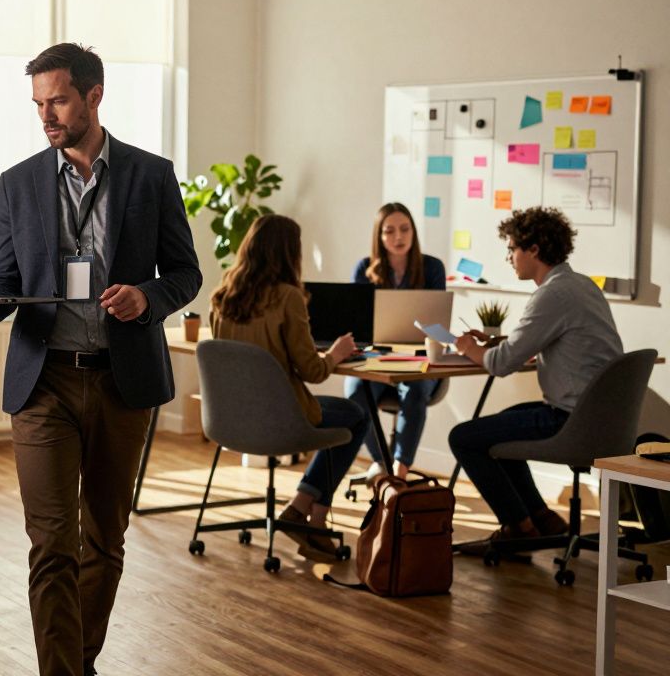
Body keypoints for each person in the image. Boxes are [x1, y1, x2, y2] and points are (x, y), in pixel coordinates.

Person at [0, 43, 201, 676]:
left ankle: (75, 665)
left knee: (104, 542)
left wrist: (147, 296)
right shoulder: (17, 183)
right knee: (51, 544)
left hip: (122, 382)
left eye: (56, 101)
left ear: (93, 96)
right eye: (38, 104)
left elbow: (186, 274)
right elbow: (3, 284)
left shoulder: (150, 176)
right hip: (44, 381)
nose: (45, 115)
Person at [451, 207, 622, 553]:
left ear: (534, 250)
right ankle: (542, 520)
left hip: (570, 420)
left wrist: (469, 348)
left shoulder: (551, 295)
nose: (510, 257)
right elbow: (545, 342)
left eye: (513, 248)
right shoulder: (580, 285)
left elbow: (500, 365)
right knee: (501, 425)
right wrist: (500, 343)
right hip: (599, 417)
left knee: (464, 437)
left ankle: (518, 526)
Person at [209, 214, 371, 560]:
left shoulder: (222, 297)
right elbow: (313, 372)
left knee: (345, 413)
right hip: (280, 419)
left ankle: (302, 509)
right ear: (288, 253)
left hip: (232, 421)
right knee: (356, 415)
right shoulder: (287, 298)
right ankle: (313, 515)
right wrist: (336, 353)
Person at [347, 202, 447, 480]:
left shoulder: (432, 267)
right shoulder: (365, 268)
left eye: (404, 229)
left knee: (415, 391)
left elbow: (436, 321)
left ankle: (399, 474)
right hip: (375, 355)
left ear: (413, 232)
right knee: (355, 395)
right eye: (389, 231)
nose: (398, 237)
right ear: (379, 237)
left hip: (421, 353)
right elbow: (358, 323)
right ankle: (382, 461)